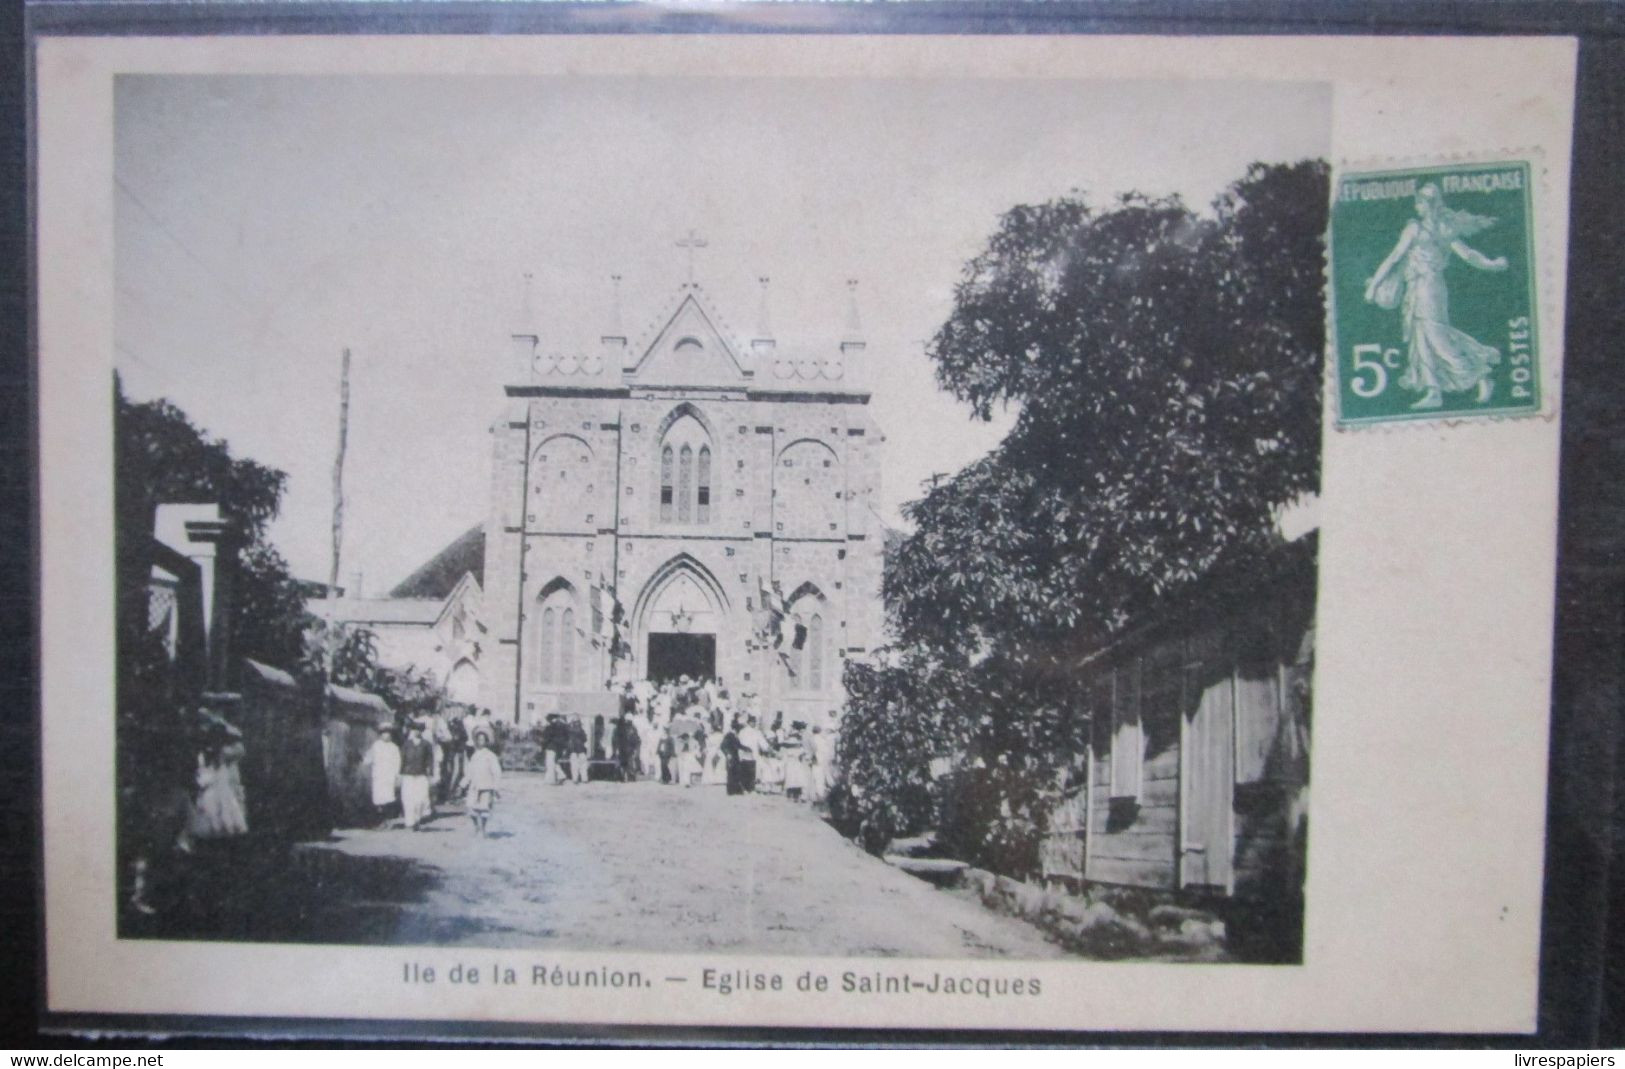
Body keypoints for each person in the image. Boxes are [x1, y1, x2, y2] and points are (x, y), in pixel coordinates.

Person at [1363, 182, 1509, 410]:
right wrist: (1491, 264)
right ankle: (1433, 391)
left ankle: (1478, 375)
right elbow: (1467, 255)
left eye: (1420, 202)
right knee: (1421, 336)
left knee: (1436, 336)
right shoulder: (1434, 229)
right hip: (1419, 287)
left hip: (1428, 287)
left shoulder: (1426, 229)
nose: (1417, 207)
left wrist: (1373, 287)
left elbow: (1394, 258)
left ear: (1427, 205)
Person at [398, 720, 435, 830]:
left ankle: (417, 820)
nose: (417, 732)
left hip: (421, 774)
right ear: (412, 730)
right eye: (415, 729)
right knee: (408, 798)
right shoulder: (407, 744)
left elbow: (430, 760)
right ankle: (410, 822)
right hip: (408, 775)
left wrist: (430, 772)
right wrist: (400, 774)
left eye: (419, 730)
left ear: (422, 731)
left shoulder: (426, 744)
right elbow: (402, 759)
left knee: (421, 798)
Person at [464, 731, 501, 838]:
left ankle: (483, 829)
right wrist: (463, 783)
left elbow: (496, 772)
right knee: (471, 808)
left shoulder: (490, 755)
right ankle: (477, 827)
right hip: (475, 785)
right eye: (479, 740)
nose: (481, 742)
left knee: (484, 809)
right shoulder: (474, 756)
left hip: (486, 785)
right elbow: (469, 771)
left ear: (486, 742)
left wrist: (496, 787)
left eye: (483, 740)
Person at [365, 726, 402, 827]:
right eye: (384, 733)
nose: (386, 735)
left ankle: (387, 820)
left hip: (389, 776)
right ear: (380, 735)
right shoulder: (376, 746)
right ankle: (380, 820)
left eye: (388, 733)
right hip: (378, 775)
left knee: (388, 798)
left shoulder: (394, 747)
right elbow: (369, 759)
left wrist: (397, 775)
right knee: (378, 799)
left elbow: (397, 762)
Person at [736, 714, 768, 794]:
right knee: (749, 772)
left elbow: (762, 743)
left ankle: (747, 789)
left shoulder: (746, 732)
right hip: (749, 754)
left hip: (748, 754)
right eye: (752, 722)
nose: (754, 723)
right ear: (749, 722)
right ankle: (748, 789)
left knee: (748, 772)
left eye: (754, 722)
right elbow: (763, 744)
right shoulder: (750, 732)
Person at [568, 715, 590, 784]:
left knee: (574, 765)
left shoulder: (570, 730)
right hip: (581, 749)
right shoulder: (581, 730)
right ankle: (584, 779)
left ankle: (575, 779)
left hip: (573, 749)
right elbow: (585, 739)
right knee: (583, 765)